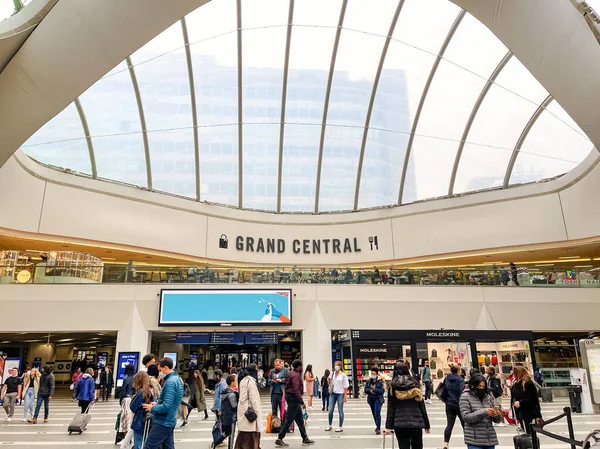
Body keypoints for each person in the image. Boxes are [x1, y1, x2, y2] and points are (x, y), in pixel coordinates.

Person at [384, 362, 430, 449]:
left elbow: (391, 408)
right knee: (417, 446)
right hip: (416, 421)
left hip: (400, 423)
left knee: (403, 445)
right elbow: (422, 406)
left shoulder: (393, 387)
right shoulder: (415, 384)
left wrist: (388, 426)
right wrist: (427, 425)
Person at [142, 357, 184, 449]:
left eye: (160, 370)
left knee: (149, 446)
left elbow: (167, 406)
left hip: (163, 421)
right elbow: (171, 402)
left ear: (165, 367)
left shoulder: (170, 382)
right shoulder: (177, 380)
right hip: (170, 420)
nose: (160, 373)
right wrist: (157, 404)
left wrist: (152, 408)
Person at [274, 360, 314, 447]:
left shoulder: (290, 373)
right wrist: (302, 402)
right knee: (288, 420)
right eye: (301, 366)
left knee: (300, 420)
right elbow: (296, 390)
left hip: (291, 397)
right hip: (294, 399)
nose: (302, 368)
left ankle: (305, 438)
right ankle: (279, 438)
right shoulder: (295, 375)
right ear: (298, 367)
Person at [460, 373, 502, 449]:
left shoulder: (488, 397)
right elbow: (466, 417)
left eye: (483, 386)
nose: (481, 389)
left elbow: (497, 420)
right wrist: (484, 411)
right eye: (479, 386)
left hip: (489, 438)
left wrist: (496, 414)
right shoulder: (465, 397)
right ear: (473, 385)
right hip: (474, 439)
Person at [236, 364, 264, 449]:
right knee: (251, 437)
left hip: (243, 411)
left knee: (243, 436)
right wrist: (257, 412)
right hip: (250, 412)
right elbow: (253, 398)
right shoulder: (251, 382)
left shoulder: (242, 380)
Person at [511, 366, 542, 435]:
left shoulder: (528, 383)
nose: (513, 375)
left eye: (515, 373)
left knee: (529, 429)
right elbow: (514, 396)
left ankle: (533, 443)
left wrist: (520, 402)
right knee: (524, 427)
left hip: (529, 410)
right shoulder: (516, 384)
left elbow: (531, 397)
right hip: (520, 410)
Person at [441, 364, 465, 449]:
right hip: (459, 404)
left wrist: (446, 400)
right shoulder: (460, 380)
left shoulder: (447, 378)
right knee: (464, 424)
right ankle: (469, 442)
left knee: (449, 425)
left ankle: (446, 444)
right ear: (458, 371)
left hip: (449, 404)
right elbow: (462, 392)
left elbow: (443, 391)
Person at [212, 374, 239, 449]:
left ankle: (216, 443)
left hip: (225, 416)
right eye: (235, 381)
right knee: (231, 435)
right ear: (232, 382)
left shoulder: (224, 392)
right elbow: (234, 407)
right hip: (231, 417)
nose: (236, 382)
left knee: (227, 432)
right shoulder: (232, 394)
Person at [130, 371, 155, 449]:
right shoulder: (151, 390)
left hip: (139, 421)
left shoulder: (141, 392)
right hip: (149, 420)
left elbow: (133, 407)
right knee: (145, 442)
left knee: (138, 443)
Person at [325, 360, 349, 432]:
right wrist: (329, 380)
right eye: (335, 365)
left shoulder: (343, 375)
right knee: (330, 409)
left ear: (340, 366)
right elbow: (329, 381)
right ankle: (330, 425)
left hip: (340, 393)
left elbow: (345, 386)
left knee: (340, 410)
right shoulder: (332, 373)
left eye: (337, 365)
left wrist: (345, 396)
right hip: (333, 393)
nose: (336, 367)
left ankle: (340, 426)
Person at [364, 367, 385, 435]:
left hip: (378, 399)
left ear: (377, 374)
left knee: (377, 412)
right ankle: (377, 425)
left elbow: (382, 391)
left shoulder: (380, 382)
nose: (373, 375)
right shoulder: (369, 381)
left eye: (374, 374)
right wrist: (370, 390)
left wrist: (374, 390)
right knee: (374, 413)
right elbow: (365, 390)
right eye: (372, 373)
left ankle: (378, 428)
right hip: (371, 399)